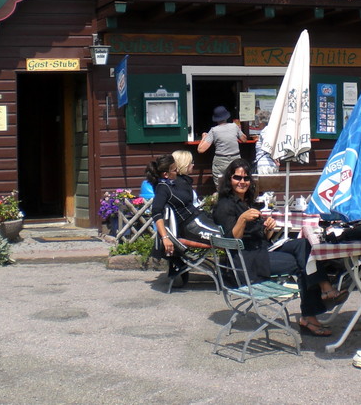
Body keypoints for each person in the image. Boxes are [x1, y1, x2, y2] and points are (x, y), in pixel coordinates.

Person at [212, 158, 346, 336]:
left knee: (302, 245)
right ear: (229, 179)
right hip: (246, 260)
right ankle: (312, 312)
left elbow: (260, 236)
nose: (242, 182)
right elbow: (232, 240)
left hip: (261, 249)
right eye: (237, 177)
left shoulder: (247, 203)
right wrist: (242, 219)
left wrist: (267, 229)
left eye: (246, 178)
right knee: (304, 262)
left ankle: (323, 292)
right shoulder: (224, 205)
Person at [147, 154, 220, 287]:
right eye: (174, 170)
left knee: (227, 228)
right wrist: (165, 237)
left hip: (198, 219)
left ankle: (232, 272)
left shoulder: (173, 184)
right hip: (191, 225)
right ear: (166, 174)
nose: (177, 172)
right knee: (225, 237)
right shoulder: (163, 189)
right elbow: (156, 213)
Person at [197, 106, 246, 184]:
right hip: (236, 159)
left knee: (220, 186)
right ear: (227, 117)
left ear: (216, 119)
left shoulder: (214, 130)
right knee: (237, 183)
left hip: (221, 161)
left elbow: (201, 150)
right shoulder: (234, 126)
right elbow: (244, 139)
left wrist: (203, 137)